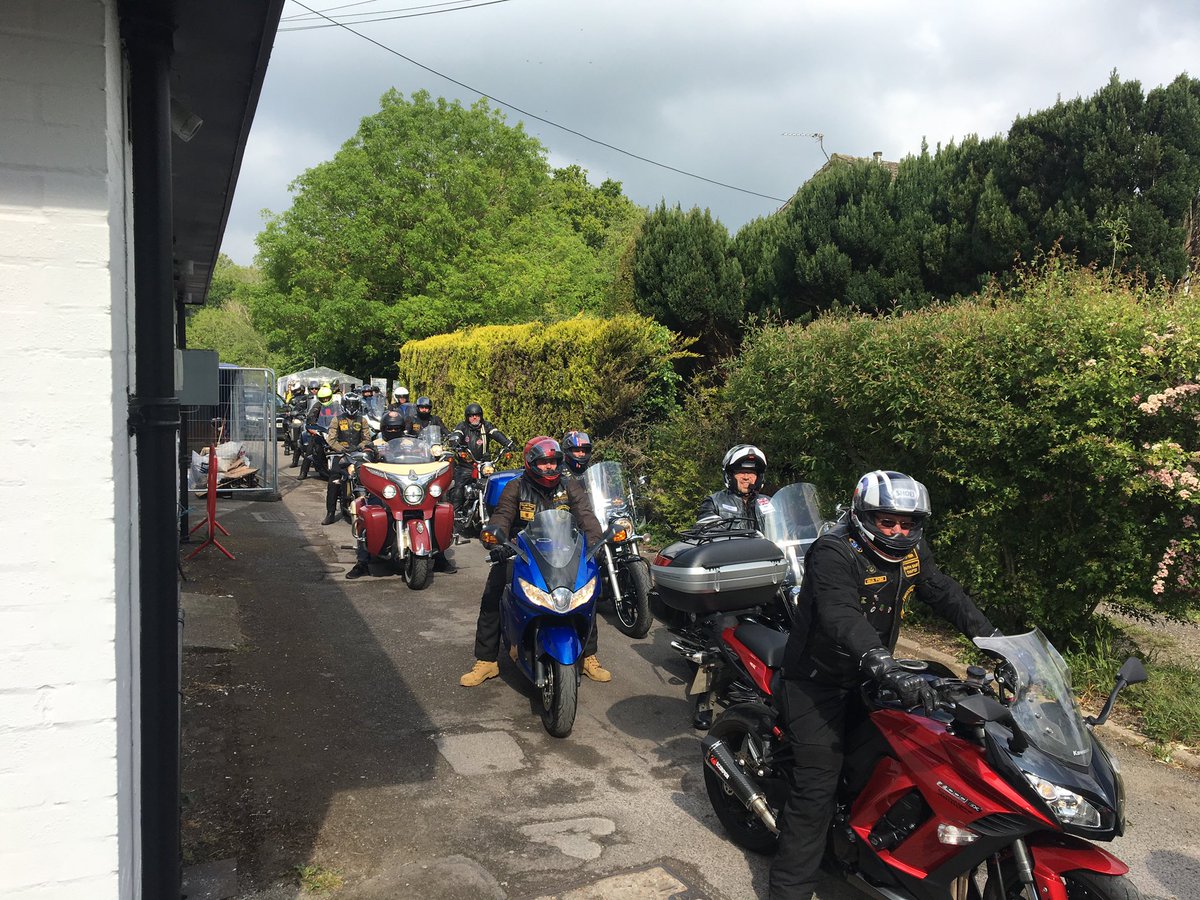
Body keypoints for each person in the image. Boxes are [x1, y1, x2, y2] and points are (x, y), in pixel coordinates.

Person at [768, 470, 998, 900]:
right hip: (818, 682)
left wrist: (995, 642)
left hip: (873, 673)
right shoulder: (835, 550)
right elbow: (840, 613)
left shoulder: (911, 553)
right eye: (887, 521)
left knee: (912, 754)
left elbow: (944, 592)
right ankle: (789, 890)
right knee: (817, 786)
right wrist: (882, 662)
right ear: (864, 516)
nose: (898, 531)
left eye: (908, 523)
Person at [459, 437, 611, 687]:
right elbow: (502, 516)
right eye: (543, 462)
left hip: (565, 552)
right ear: (531, 462)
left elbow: (586, 516)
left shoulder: (569, 486)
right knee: (493, 594)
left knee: (587, 596)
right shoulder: (516, 487)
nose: (550, 467)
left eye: (554, 461)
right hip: (522, 552)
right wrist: (497, 543)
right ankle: (486, 660)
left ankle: (588, 656)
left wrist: (596, 544)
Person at [448, 403, 515, 516]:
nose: (474, 418)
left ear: (481, 416)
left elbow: (496, 433)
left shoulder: (486, 426)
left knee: (495, 485)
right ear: (467, 417)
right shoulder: (463, 426)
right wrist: (455, 442)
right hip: (466, 465)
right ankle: (456, 516)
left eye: (477, 415)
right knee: (458, 488)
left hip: (484, 465)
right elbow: (457, 434)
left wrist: (508, 443)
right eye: (471, 416)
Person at [321, 392, 371, 526]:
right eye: (349, 404)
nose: (351, 407)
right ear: (344, 405)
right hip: (340, 454)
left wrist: (358, 447)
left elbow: (367, 439)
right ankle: (330, 513)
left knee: (366, 477)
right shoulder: (336, 419)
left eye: (354, 404)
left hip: (357, 454)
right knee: (333, 479)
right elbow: (331, 439)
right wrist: (341, 449)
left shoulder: (362, 420)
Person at [696, 444, 770, 530]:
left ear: (759, 477)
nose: (746, 477)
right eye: (741, 472)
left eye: (751, 472)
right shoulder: (714, 503)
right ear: (730, 476)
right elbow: (706, 532)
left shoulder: (770, 503)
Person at [300, 384, 338, 480]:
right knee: (310, 448)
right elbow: (311, 417)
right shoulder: (317, 405)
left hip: (333, 431)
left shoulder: (336, 406)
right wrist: (313, 426)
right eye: (323, 398)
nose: (325, 400)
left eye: (327, 398)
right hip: (321, 430)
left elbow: (341, 415)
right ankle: (303, 472)